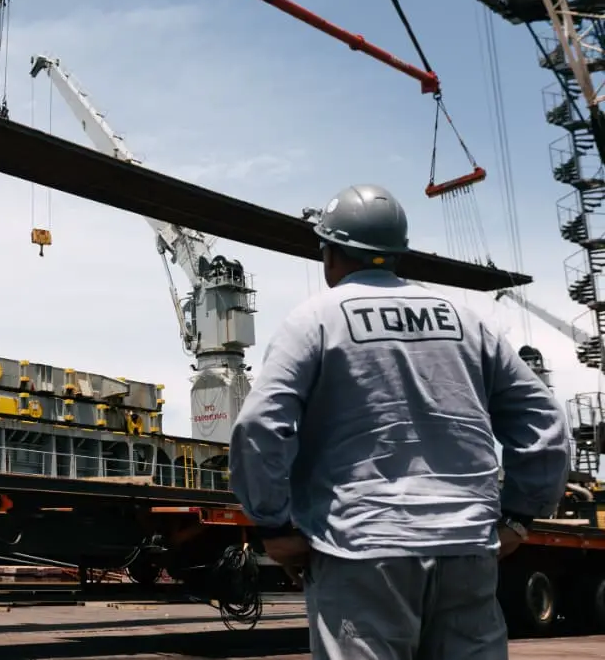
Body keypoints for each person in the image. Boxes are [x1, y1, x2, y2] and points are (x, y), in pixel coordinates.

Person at [228, 183, 571, 659]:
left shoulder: (315, 320)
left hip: (361, 550)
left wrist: (274, 525)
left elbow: (260, 426)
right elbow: (544, 421)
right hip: (466, 547)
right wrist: (517, 516)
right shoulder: (467, 321)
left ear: (329, 255)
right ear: (398, 254)